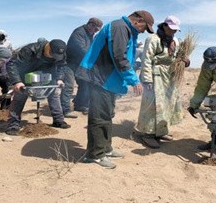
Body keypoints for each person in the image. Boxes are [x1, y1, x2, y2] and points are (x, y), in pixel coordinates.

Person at [76, 10, 155, 169]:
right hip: (99, 78)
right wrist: (133, 80)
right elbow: (119, 56)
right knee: (99, 117)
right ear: (138, 20)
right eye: (144, 28)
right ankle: (95, 155)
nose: (143, 31)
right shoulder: (119, 27)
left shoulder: (126, 30)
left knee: (107, 115)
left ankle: (106, 148)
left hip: (108, 80)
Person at [136, 15, 190, 148]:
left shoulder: (175, 41)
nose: (173, 32)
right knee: (152, 104)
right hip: (155, 75)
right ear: (164, 25)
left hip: (169, 76)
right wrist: (147, 79)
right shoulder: (153, 39)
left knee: (166, 103)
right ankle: (148, 134)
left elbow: (178, 57)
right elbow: (146, 60)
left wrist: (185, 61)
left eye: (175, 30)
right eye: (171, 29)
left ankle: (160, 132)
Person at [5, 39, 71, 136]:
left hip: (46, 75)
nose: (54, 57)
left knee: (53, 94)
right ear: (48, 46)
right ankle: (13, 125)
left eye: (56, 56)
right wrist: (17, 81)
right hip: (25, 75)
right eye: (52, 54)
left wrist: (60, 78)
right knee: (19, 98)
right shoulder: (30, 50)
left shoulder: (60, 54)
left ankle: (58, 120)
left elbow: (62, 65)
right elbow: (11, 64)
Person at [60, 17, 103, 118]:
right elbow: (82, 50)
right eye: (96, 29)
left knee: (85, 84)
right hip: (70, 63)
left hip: (79, 64)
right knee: (69, 86)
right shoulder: (79, 32)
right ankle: (64, 110)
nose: (96, 32)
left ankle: (80, 105)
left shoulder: (90, 34)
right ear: (90, 25)